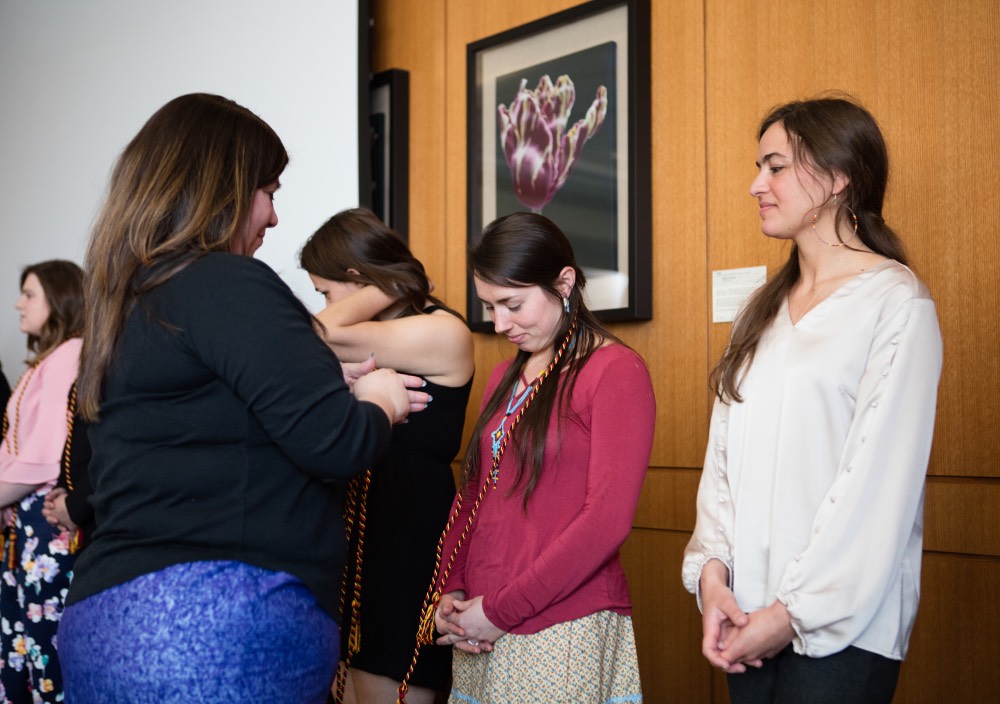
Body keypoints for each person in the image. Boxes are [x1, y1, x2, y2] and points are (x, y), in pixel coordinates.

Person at [57, 93, 428, 704]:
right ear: (220, 190)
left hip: (104, 620)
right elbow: (336, 442)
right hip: (216, 623)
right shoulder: (226, 282)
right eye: (268, 192)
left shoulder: (127, 303)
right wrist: (380, 400)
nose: (273, 217)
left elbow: (202, 427)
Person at [682, 96, 943, 703]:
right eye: (759, 167)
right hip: (745, 615)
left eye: (775, 167)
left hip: (844, 628)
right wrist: (713, 578)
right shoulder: (759, 312)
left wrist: (791, 612)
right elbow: (722, 463)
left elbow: (877, 484)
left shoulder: (895, 303)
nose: (756, 185)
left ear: (838, 176)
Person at [427, 212, 656, 703]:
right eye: (490, 307)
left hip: (560, 620)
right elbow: (473, 493)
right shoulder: (504, 377)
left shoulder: (615, 371)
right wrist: (452, 587)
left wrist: (499, 612)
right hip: (480, 619)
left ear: (564, 283)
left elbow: (606, 521)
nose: (500, 324)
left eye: (513, 305)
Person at [300, 207, 474, 704]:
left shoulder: (441, 330)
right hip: (356, 536)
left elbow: (314, 332)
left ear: (357, 279)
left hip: (407, 536)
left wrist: (387, 286)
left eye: (327, 291)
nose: (326, 304)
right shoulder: (369, 339)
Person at [0, 259, 84, 703]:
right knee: (24, 647)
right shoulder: (47, 361)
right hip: (25, 522)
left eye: (29, 294)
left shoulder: (69, 355)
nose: (19, 304)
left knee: (44, 651)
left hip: (46, 525)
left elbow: (43, 457)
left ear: (59, 299)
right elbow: (13, 447)